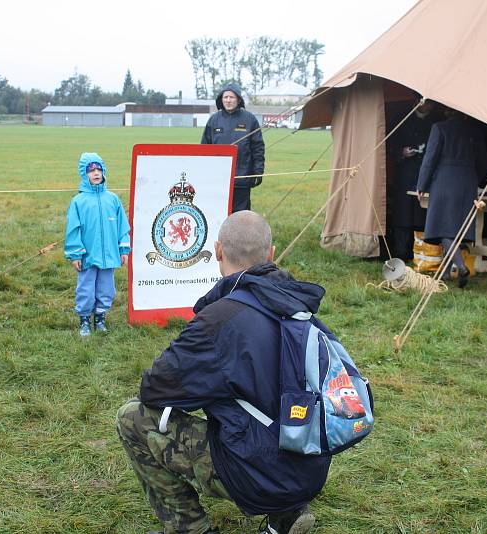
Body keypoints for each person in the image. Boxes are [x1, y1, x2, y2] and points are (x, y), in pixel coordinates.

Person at [117, 211, 330, 534]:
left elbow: (154, 390)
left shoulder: (218, 321)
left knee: (132, 416)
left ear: (217, 251)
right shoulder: (300, 308)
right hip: (311, 466)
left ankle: (190, 528)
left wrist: (208, 386)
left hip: (259, 473)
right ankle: (286, 513)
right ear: (271, 253)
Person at [416, 109, 487, 288]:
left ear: (446, 112)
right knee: (456, 228)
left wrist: (421, 184)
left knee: (443, 229)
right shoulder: (475, 132)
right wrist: (473, 177)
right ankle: (447, 273)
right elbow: (485, 162)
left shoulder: (439, 128)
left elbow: (430, 158)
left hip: (444, 180)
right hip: (467, 181)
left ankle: (461, 267)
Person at [64, 153, 130, 337]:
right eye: (91, 170)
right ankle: (84, 319)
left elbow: (122, 226)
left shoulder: (113, 199)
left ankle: (100, 318)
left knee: (106, 288)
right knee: (86, 288)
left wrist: (123, 249)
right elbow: (73, 229)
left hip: (109, 254)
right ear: (83, 174)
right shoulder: (78, 201)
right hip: (88, 255)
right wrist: (76, 254)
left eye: (99, 169)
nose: (96, 173)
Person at [201, 83, 265, 212]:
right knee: (218, 211)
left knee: (240, 215)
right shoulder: (214, 120)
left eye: (232, 97)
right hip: (218, 179)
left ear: (238, 100)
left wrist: (258, 171)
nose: (228, 100)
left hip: (242, 178)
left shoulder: (249, 119)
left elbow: (258, 147)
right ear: (221, 99)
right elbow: (204, 148)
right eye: (225, 97)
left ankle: (241, 233)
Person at [388, 101, 438, 260]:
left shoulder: (436, 121)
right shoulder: (401, 119)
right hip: (405, 173)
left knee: (422, 215)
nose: (428, 107)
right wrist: (401, 152)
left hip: (428, 175)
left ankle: (421, 254)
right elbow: (389, 144)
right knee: (403, 215)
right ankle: (400, 253)